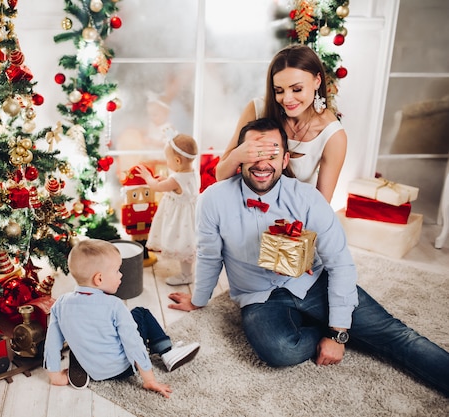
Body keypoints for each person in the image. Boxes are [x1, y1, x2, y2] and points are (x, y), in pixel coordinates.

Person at [169, 118, 449, 397]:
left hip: (312, 283)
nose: (262, 163)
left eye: (272, 153)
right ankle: (328, 327)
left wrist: (338, 333)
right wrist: (198, 299)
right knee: (278, 350)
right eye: (254, 152)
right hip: (257, 296)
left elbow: (340, 262)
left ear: (285, 159)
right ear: (239, 158)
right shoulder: (213, 199)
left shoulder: (307, 198)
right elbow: (209, 255)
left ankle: (343, 326)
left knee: (394, 333)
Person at [44, 239, 200, 397]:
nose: (121, 275)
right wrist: (149, 379)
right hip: (123, 369)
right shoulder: (114, 306)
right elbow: (133, 343)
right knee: (140, 313)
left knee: (82, 332)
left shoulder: (60, 304)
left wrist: (55, 375)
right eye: (117, 271)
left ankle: (81, 359)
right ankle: (167, 351)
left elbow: (52, 341)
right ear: (99, 279)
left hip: (95, 371)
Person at [215, 44, 347, 203]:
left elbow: (321, 205)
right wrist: (238, 155)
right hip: (244, 207)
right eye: (279, 90)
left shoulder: (332, 135)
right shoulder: (257, 110)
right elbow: (221, 176)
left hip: (293, 218)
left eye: (297, 89)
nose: (287, 99)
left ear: (317, 81)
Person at [135, 133, 199, 285]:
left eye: (167, 159)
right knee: (187, 244)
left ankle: (186, 275)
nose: (166, 161)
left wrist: (147, 177)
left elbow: (157, 187)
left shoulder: (176, 179)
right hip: (190, 216)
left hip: (178, 219)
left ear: (177, 161)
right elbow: (179, 187)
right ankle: (188, 272)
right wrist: (166, 180)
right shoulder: (192, 172)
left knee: (182, 244)